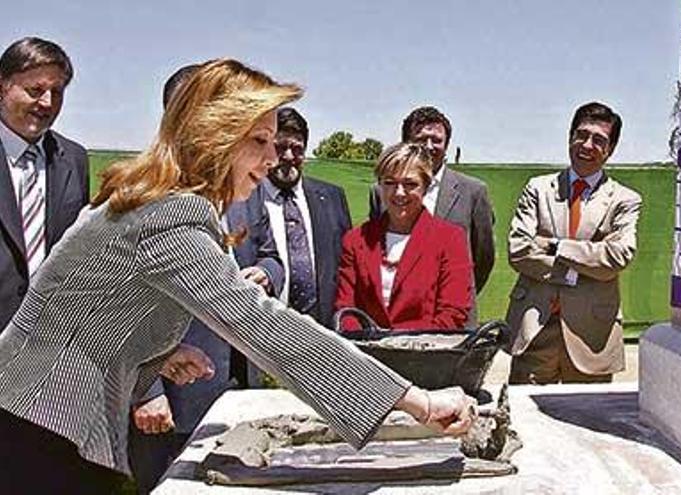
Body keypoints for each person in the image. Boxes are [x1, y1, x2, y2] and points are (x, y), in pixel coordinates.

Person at [0, 59, 476, 494]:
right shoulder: (171, 213)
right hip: (42, 431)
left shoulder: (147, 196)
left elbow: (84, 309)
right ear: (214, 134)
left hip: (31, 414)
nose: (272, 159)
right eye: (258, 141)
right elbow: (265, 327)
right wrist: (418, 403)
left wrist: (158, 350)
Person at [127, 62, 287, 494]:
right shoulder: (142, 199)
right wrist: (146, 390)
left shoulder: (244, 190)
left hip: (240, 377)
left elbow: (273, 255)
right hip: (177, 395)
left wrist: (266, 276)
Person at [505, 102, 642, 384]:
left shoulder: (625, 200)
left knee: (587, 424)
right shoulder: (538, 189)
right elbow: (519, 250)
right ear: (570, 137)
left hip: (591, 336)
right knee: (523, 420)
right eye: (581, 135)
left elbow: (617, 258)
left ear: (610, 150)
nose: (587, 145)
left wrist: (555, 246)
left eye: (599, 140)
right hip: (534, 329)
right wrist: (576, 270)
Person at [0, 37, 89, 332]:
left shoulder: (74, 158)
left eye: (57, 92)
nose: (48, 103)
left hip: (48, 343)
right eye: (35, 91)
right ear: (3, 86)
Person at [336, 142, 474, 332]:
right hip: (364, 354)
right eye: (390, 183)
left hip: (425, 355)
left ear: (426, 187)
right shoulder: (356, 239)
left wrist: (409, 350)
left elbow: (453, 312)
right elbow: (346, 308)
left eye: (410, 184)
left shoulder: (450, 239)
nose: (399, 193)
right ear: (380, 185)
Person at [368, 106, 495, 301]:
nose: (429, 146)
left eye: (436, 140)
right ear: (406, 144)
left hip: (455, 312)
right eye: (420, 140)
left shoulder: (473, 192)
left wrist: (460, 293)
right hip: (395, 310)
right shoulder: (381, 192)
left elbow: (484, 257)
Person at [262, 106, 352, 327]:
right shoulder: (244, 200)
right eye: (280, 148)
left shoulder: (332, 198)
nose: (288, 157)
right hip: (262, 335)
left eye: (297, 149)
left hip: (323, 332)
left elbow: (347, 268)